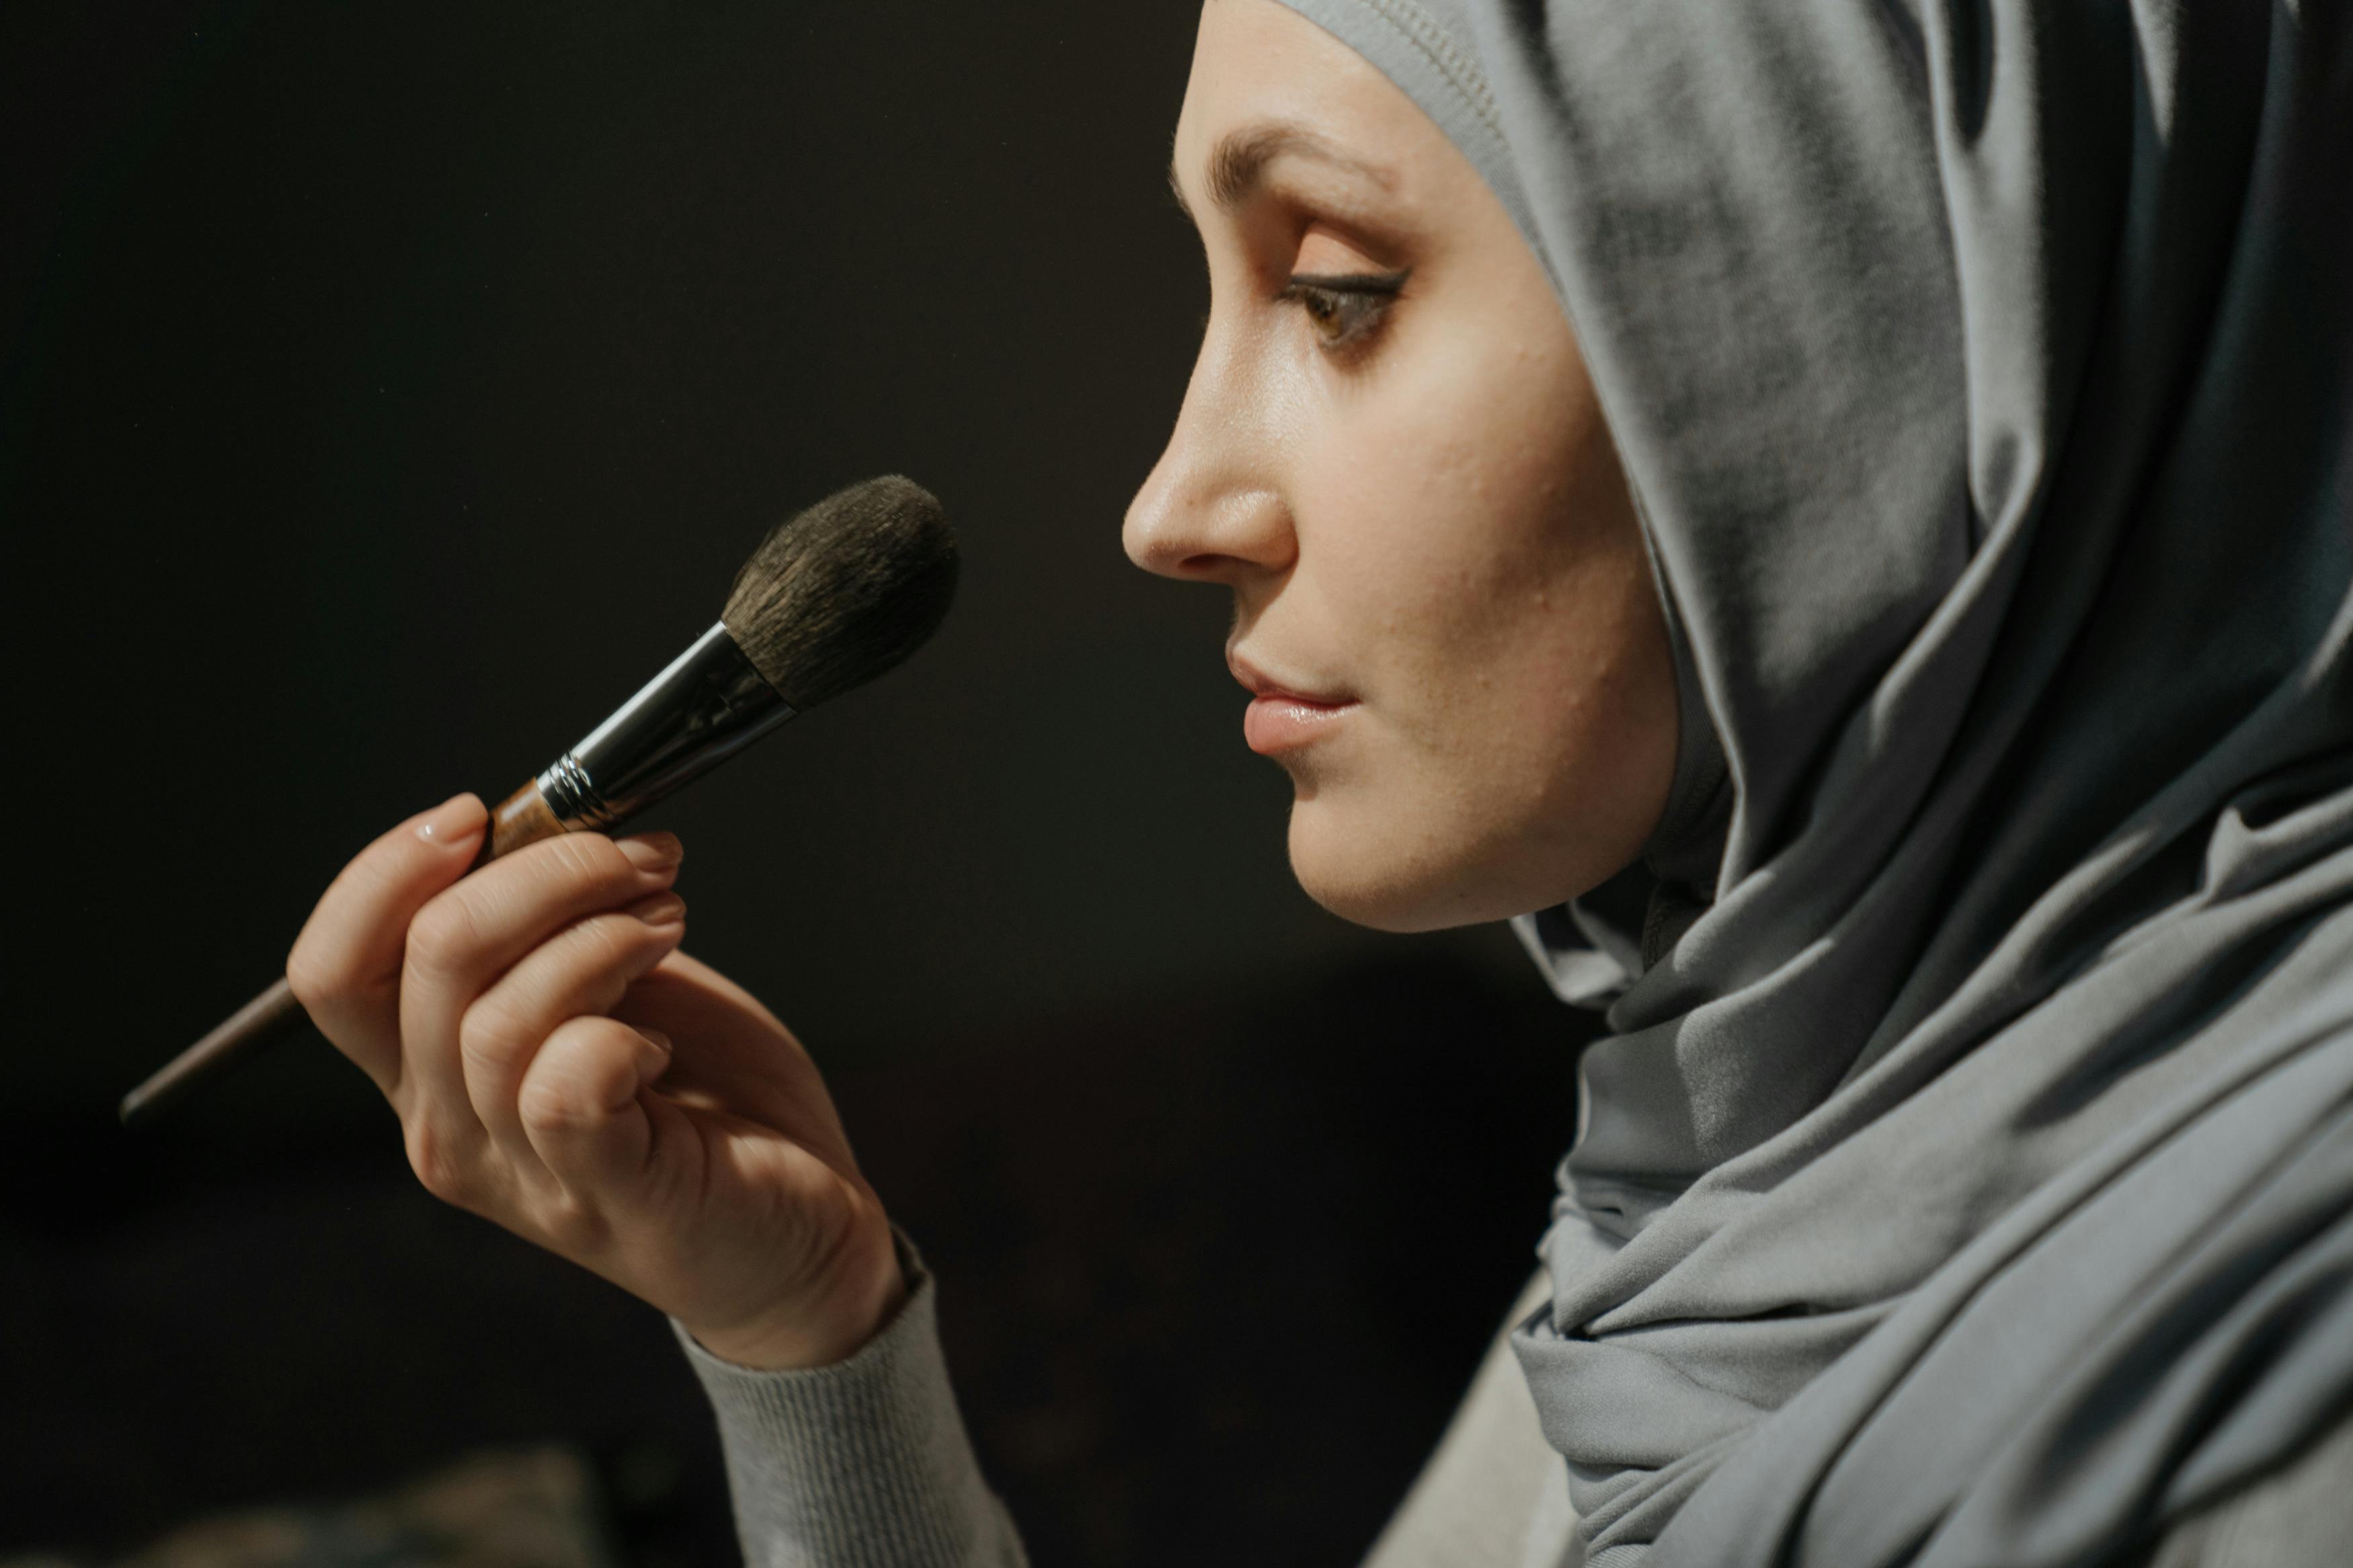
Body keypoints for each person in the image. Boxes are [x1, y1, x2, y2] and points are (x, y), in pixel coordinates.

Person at [281, 0, 2353, 1563]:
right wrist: (807, 1338)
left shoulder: (2275, 1388)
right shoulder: (1729, 1193)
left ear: (1874, 320)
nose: (1170, 506)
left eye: (1335, 293)